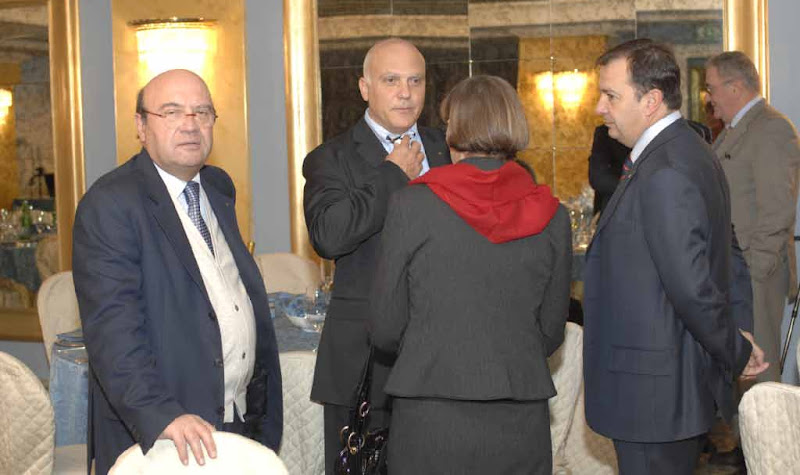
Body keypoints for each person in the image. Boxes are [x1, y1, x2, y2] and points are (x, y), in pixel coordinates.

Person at [73, 69, 282, 474]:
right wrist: (162, 414)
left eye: (202, 112)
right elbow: (112, 333)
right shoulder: (110, 204)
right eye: (171, 112)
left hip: (234, 421)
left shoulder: (217, 187)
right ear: (141, 126)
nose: (190, 124)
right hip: (165, 433)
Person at [582, 39, 768, 475]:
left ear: (650, 101)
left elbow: (692, 287)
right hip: (666, 387)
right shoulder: (687, 148)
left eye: (611, 95)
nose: (599, 108)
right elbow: (728, 254)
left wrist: (736, 348)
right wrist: (739, 330)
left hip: (653, 397)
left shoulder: (665, 169)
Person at [369, 75, 571, 473]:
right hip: (519, 412)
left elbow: (385, 328)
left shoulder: (412, 205)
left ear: (453, 132)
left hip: (430, 409)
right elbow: (551, 331)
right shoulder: (552, 214)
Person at [302, 38, 450, 473]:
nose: (405, 92)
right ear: (365, 88)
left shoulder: (450, 148)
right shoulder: (331, 158)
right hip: (365, 361)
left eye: (415, 81)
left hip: (445, 356)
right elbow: (329, 236)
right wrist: (392, 174)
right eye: (391, 81)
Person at [706, 51, 800, 384]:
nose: (708, 97)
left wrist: (752, 275)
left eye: (712, 88)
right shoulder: (732, 131)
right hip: (734, 273)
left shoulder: (772, 128)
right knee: (740, 373)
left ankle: (766, 424)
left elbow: (777, 211)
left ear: (735, 87)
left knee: (760, 376)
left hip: (754, 274)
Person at [589, 120, 711, 216]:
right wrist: (644, 190)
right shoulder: (606, 133)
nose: (602, 108)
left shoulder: (693, 131)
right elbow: (599, 178)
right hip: (619, 217)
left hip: (673, 216)